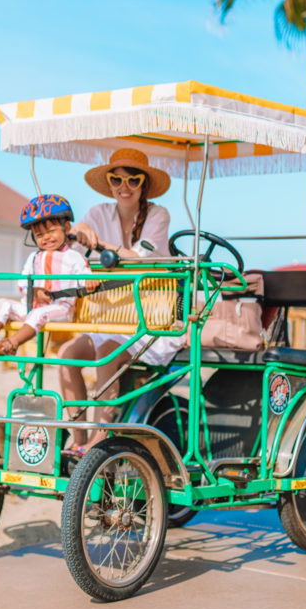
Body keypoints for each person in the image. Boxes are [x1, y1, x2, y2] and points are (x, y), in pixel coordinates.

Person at [59, 147, 175, 452]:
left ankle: (100, 440)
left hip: (151, 320)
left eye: (133, 180)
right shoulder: (97, 213)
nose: (124, 187)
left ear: (143, 185)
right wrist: (77, 232)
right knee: (66, 353)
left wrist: (96, 242)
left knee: (107, 351)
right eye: (116, 179)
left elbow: (140, 261)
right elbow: (74, 254)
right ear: (109, 183)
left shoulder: (158, 215)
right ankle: (78, 439)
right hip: (109, 315)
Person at [0, 194, 97, 356]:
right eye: (39, 235)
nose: (46, 237)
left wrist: (89, 282)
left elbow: (85, 276)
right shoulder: (34, 257)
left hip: (60, 309)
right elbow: (22, 282)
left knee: (38, 314)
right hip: (32, 308)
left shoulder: (72, 256)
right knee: (3, 303)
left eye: (51, 231)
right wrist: (34, 292)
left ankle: (11, 344)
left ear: (67, 228)